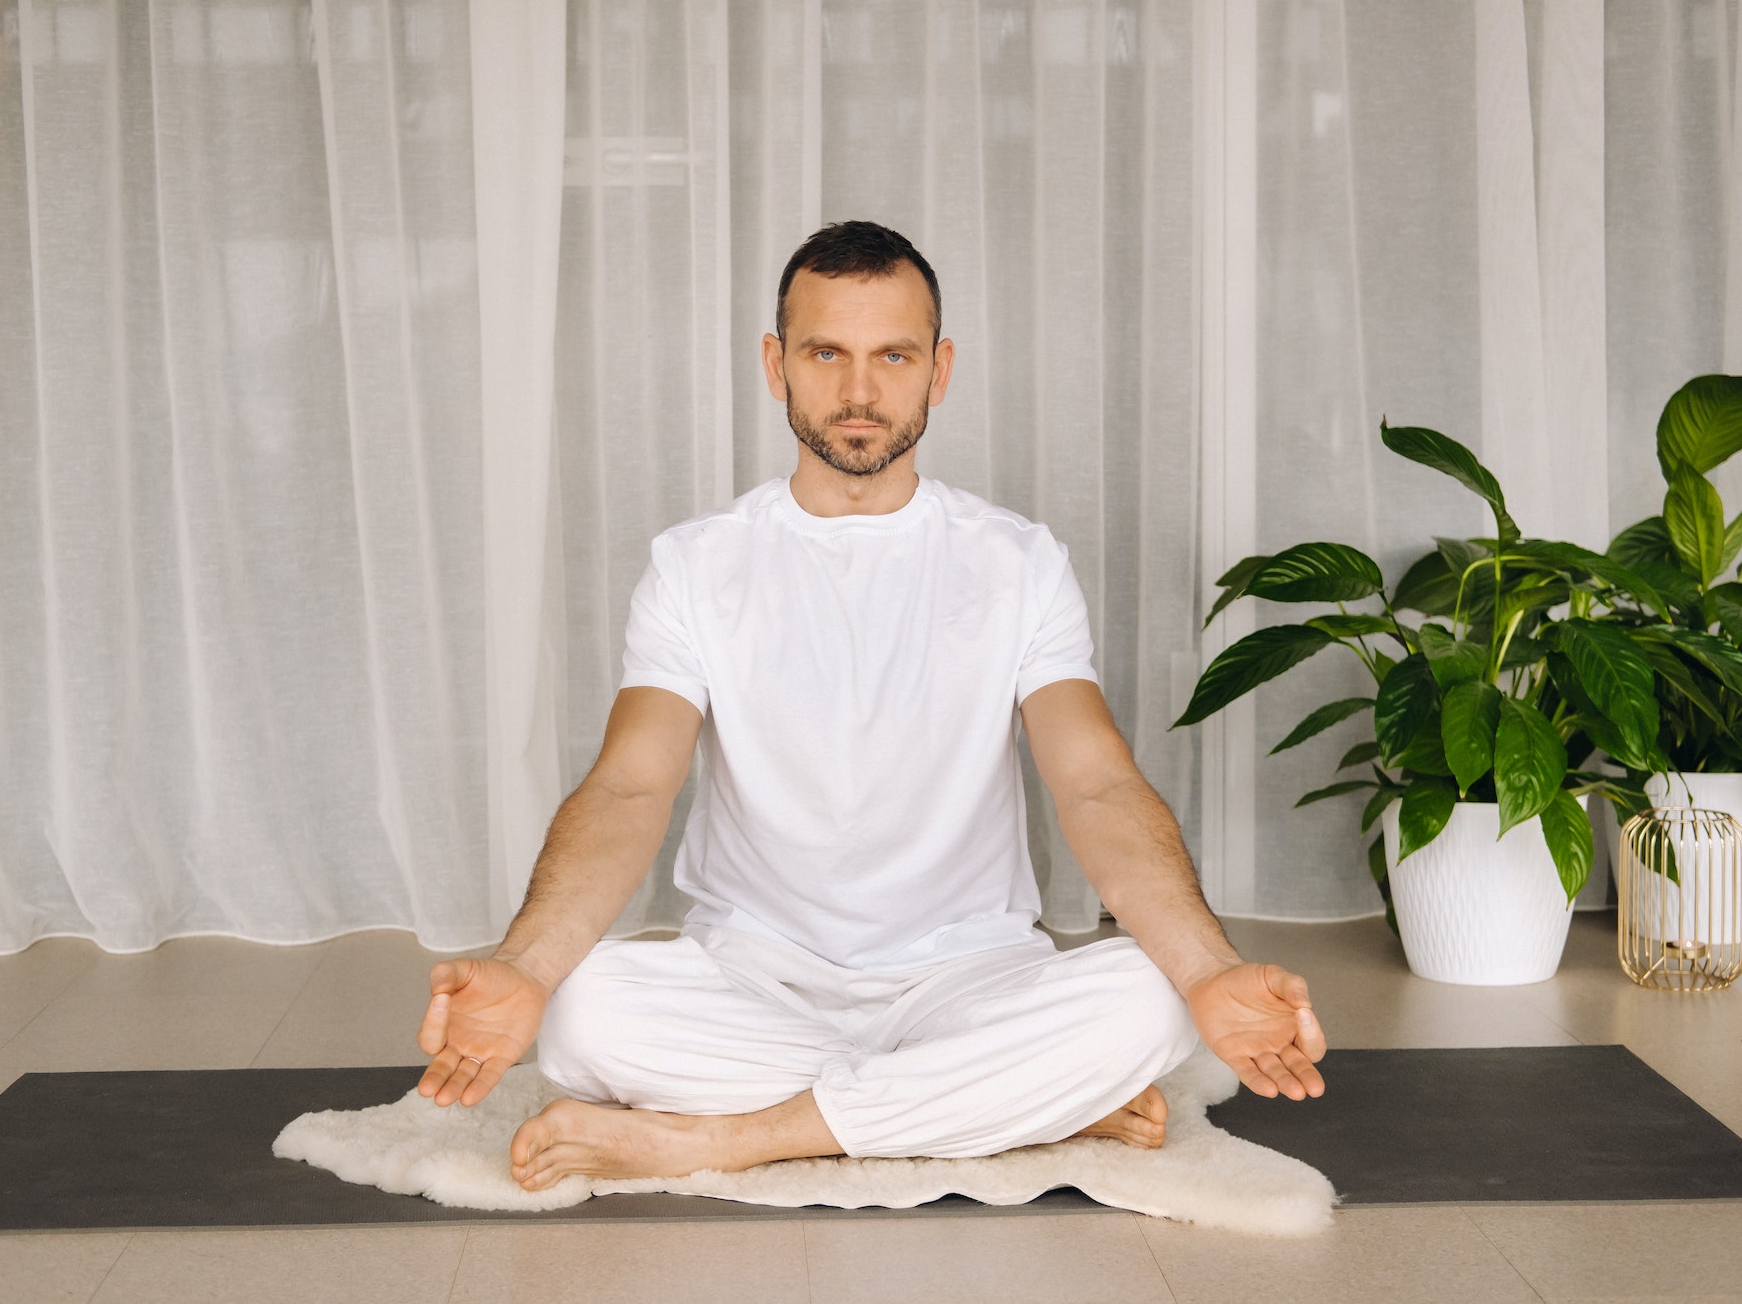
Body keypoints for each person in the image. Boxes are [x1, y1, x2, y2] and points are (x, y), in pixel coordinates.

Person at [415, 221, 1326, 1193]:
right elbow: (630, 786)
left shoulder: (1016, 561)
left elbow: (1094, 781)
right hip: (755, 970)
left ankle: (737, 1138)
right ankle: (1007, 1109)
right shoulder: (696, 562)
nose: (858, 392)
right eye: (825, 354)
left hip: (967, 973)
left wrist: (1209, 968)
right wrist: (521, 961)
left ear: (938, 370)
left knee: (1151, 1001)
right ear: (776, 366)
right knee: (578, 1008)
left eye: (891, 355)